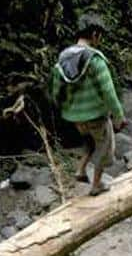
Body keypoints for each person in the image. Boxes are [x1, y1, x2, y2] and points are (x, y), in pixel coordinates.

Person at [50, 14, 126, 196]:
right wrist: (119, 116)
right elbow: (108, 91)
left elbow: (55, 92)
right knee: (105, 146)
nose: (100, 39)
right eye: (99, 35)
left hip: (75, 118)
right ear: (94, 34)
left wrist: (65, 109)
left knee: (89, 142)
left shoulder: (63, 59)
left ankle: (81, 169)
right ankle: (97, 184)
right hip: (96, 116)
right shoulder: (95, 60)